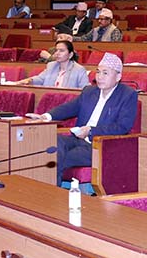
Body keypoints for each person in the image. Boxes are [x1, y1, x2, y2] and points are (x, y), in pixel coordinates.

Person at [25, 53, 137, 186]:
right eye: (98, 72)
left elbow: (122, 127)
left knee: (61, 158)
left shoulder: (127, 95)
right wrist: (46, 116)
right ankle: (46, 189)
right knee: (53, 142)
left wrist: (91, 131)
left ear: (118, 77)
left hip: (100, 145)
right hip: (78, 138)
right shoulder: (89, 91)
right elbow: (69, 108)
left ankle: (52, 191)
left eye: (105, 73)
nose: (99, 77)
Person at [18, 40, 89, 89]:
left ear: (70, 55)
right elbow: (40, 79)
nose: (57, 53)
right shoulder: (51, 65)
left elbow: (85, 89)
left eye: (61, 51)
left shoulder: (79, 69)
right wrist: (28, 80)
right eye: (56, 50)